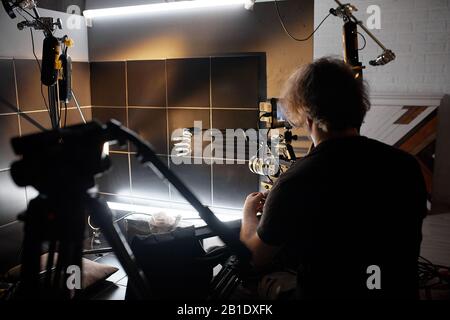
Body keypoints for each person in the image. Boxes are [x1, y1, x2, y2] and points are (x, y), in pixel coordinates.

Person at [240, 57, 427, 299]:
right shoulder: (406, 165)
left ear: (307, 116)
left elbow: (255, 257)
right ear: (358, 109)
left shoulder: (295, 182)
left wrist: (248, 214)